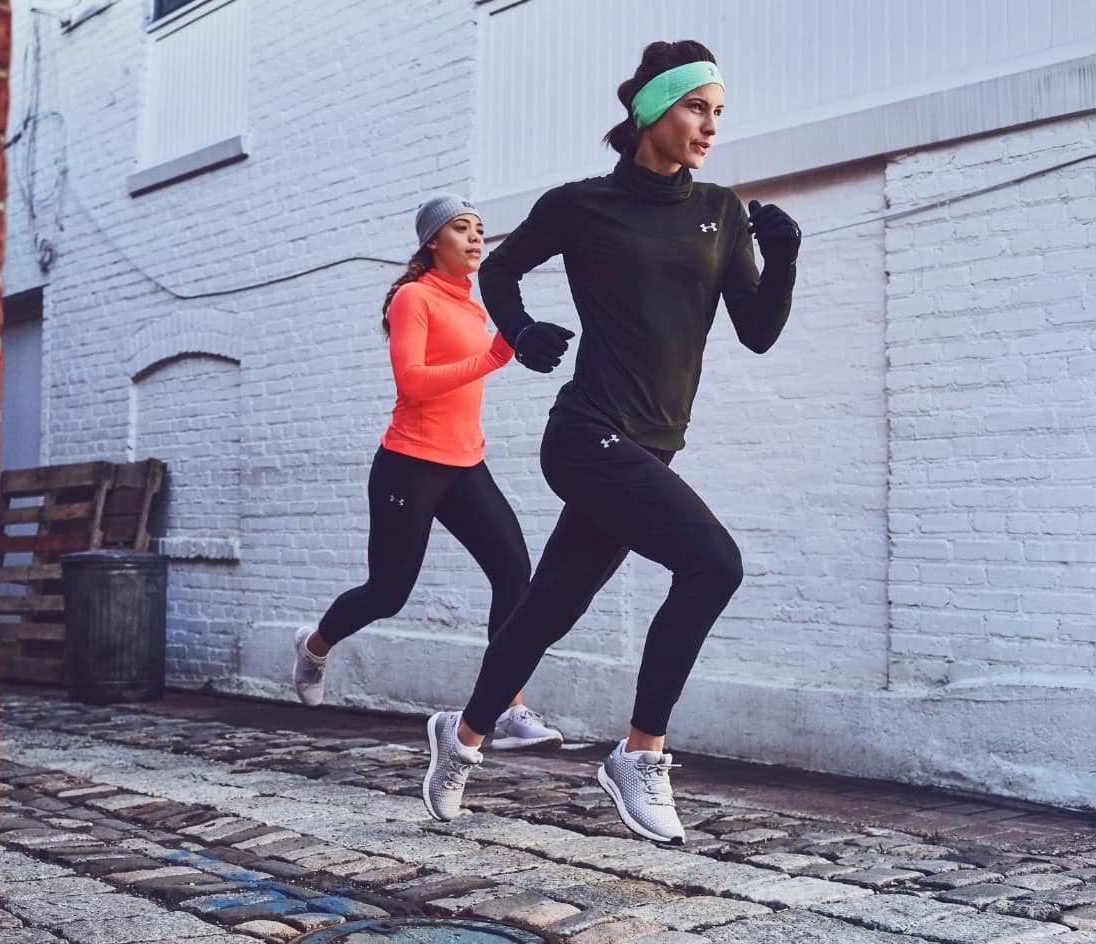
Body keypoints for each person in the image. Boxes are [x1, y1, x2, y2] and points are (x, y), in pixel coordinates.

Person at [420, 41, 802, 840]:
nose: (710, 127)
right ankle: (641, 754)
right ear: (651, 111)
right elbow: (501, 270)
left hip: (651, 446)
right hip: (586, 432)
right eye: (698, 107)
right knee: (713, 562)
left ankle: (460, 738)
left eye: (719, 113)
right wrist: (519, 334)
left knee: (549, 606)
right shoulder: (581, 205)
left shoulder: (721, 213)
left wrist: (787, 257)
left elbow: (758, 331)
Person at [292, 195, 564, 751]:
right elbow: (412, 381)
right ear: (431, 242)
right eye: (460, 229)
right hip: (409, 465)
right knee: (388, 592)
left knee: (515, 573)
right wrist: (491, 358)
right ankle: (315, 646)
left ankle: (507, 710)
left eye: (479, 230)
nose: (474, 238)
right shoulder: (412, 298)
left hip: (466, 463)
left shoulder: (472, 306)